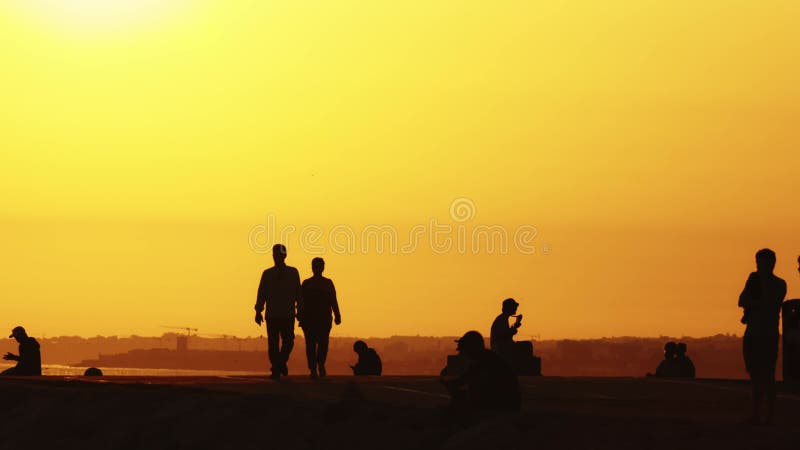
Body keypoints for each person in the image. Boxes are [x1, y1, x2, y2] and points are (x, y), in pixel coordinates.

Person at [738, 248, 786, 425]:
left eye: (761, 263)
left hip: (765, 334)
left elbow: (769, 303)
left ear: (771, 263)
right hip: (755, 332)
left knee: (766, 375)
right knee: (756, 375)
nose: (758, 266)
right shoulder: (756, 280)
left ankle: (768, 415)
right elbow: (741, 300)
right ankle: (758, 414)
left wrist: (757, 294)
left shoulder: (778, 284)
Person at [441, 331, 520, 414]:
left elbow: (465, 380)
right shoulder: (487, 359)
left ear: (470, 349)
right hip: (505, 406)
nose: (462, 355)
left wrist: (450, 385)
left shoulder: (483, 362)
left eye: (463, 351)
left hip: (500, 409)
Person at [255, 244, 302, 380]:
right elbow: (261, 293)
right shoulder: (268, 274)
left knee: (288, 342)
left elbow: (298, 293)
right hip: (274, 314)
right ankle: (278, 365)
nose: (277, 257)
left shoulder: (293, 273)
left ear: (284, 256)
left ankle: (279, 363)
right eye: (275, 254)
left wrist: (300, 310)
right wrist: (258, 311)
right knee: (273, 344)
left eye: (279, 254)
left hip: (286, 314)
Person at [299, 257, 341, 379]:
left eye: (319, 266)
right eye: (315, 266)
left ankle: (320, 365)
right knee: (311, 345)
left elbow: (333, 300)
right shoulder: (307, 284)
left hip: (323, 320)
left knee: (322, 344)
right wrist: (300, 316)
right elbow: (301, 301)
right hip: (310, 320)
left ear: (322, 268)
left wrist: (337, 315)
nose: (317, 268)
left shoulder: (327, 283)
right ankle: (313, 368)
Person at [490, 298, 522, 365]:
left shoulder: (503, 318)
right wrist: (515, 327)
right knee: (526, 346)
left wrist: (515, 325)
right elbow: (504, 336)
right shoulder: (502, 319)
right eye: (514, 307)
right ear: (509, 308)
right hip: (500, 348)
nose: (516, 309)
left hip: (502, 347)